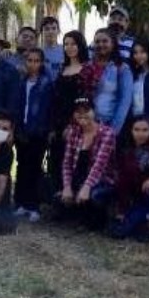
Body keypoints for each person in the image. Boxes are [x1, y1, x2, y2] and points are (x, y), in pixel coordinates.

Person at [58, 96, 117, 230]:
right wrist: (67, 186)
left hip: (102, 180)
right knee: (59, 199)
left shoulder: (107, 133)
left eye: (86, 110)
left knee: (93, 197)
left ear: (94, 112)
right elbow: (67, 163)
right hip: (79, 177)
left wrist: (86, 188)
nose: (82, 114)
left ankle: (101, 218)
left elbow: (99, 166)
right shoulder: (73, 132)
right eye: (78, 111)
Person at [13, 48, 53, 222]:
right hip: (22, 131)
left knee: (35, 167)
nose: (33, 64)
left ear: (42, 63)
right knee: (22, 166)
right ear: (25, 62)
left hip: (39, 132)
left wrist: (48, 129)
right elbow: (16, 106)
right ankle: (20, 203)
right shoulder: (20, 82)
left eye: (37, 61)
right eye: (30, 60)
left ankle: (33, 205)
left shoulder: (46, 83)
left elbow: (51, 108)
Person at [49, 30, 89, 190]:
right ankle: (58, 201)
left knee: (74, 164)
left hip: (77, 125)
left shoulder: (87, 69)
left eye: (73, 43)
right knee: (56, 163)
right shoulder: (62, 69)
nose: (69, 47)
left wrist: (73, 124)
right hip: (58, 123)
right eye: (66, 44)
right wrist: (52, 127)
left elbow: (85, 101)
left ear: (80, 45)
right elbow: (55, 100)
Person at [82, 28, 133, 134]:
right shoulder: (87, 67)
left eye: (105, 41)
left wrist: (112, 131)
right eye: (97, 42)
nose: (101, 44)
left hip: (108, 126)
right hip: (86, 126)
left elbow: (124, 102)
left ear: (113, 43)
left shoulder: (122, 69)